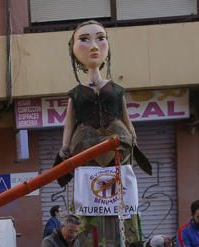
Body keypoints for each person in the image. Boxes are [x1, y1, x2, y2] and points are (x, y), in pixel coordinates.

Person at [54, 19, 151, 187]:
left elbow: (125, 115)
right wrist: (64, 146)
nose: (94, 46)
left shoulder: (116, 89)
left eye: (100, 38)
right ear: (73, 50)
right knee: (89, 185)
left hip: (118, 141)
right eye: (84, 39)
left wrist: (133, 135)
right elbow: (69, 123)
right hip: (84, 144)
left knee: (119, 184)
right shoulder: (76, 93)